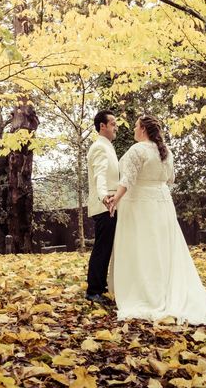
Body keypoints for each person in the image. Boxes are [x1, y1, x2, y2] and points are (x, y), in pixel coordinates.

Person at [107, 115, 206, 324]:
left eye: (135, 126)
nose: (133, 129)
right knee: (162, 249)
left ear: (143, 129)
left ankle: (145, 295)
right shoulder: (166, 152)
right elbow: (170, 179)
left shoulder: (137, 150)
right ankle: (164, 289)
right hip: (162, 206)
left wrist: (115, 198)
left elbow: (128, 180)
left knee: (141, 248)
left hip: (139, 206)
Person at [85, 110, 119, 304]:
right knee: (102, 248)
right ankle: (94, 290)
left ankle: (100, 285)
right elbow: (100, 175)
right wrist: (104, 197)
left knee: (106, 247)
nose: (116, 127)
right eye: (112, 123)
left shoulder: (108, 147)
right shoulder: (99, 147)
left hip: (111, 204)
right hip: (105, 206)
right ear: (102, 126)